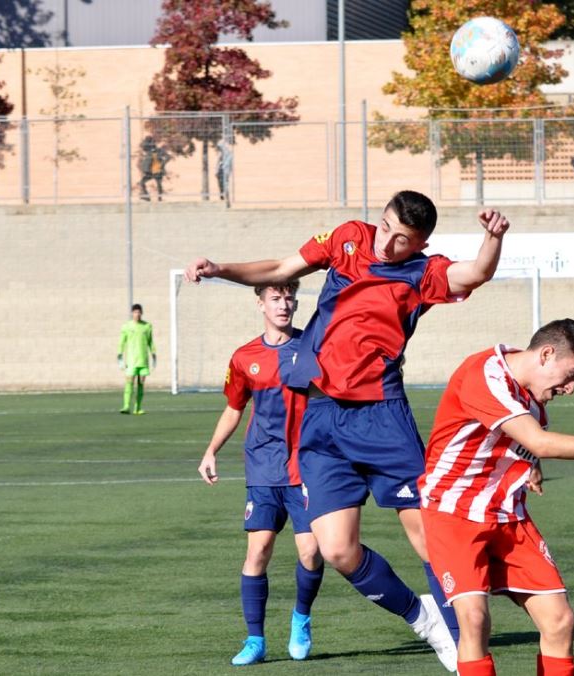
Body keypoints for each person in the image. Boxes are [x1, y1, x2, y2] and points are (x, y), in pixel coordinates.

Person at [185, 190, 511, 672]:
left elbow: (477, 272)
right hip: (321, 419)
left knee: (429, 539)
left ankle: (465, 646)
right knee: (336, 549)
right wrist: (220, 270)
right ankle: (423, 618)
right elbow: (280, 269)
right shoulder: (347, 239)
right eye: (386, 227)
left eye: (403, 239)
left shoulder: (423, 273)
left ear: (420, 242)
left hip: (382, 417)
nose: (388, 243)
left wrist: (491, 239)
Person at [419, 319, 574, 676]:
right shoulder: (485, 375)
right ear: (547, 354)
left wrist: (528, 467)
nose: (571, 388)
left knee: (560, 620)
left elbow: (520, 443)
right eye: (572, 374)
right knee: (474, 619)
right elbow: (539, 442)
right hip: (453, 513)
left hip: (507, 515)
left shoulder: (532, 394)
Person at [197, 281, 324, 666]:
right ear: (260, 305)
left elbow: (335, 392)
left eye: (288, 297)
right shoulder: (244, 357)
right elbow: (235, 408)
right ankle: (255, 640)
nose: (283, 304)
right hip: (263, 467)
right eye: (275, 298)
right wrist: (210, 451)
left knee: (312, 552)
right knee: (259, 551)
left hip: (307, 465)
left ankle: (301, 618)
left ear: (296, 302)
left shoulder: (312, 348)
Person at [117, 303, 155, 415]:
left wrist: (154, 353)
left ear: (141, 313)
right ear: (132, 313)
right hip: (131, 360)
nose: (137, 314)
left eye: (139, 312)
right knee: (129, 381)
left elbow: (150, 342)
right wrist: (119, 355)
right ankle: (126, 406)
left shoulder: (147, 326)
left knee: (141, 382)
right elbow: (122, 342)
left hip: (143, 360)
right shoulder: (126, 327)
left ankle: (137, 408)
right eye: (135, 312)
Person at [139, 136, 169, 202]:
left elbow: (168, 157)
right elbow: (142, 146)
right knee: (142, 183)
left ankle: (160, 198)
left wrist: (162, 164)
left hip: (157, 170)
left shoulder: (159, 150)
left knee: (159, 184)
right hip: (149, 171)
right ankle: (146, 197)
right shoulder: (148, 151)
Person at [217, 136, 234, 203]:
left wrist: (227, 171)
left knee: (225, 185)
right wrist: (217, 170)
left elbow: (229, 164)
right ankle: (222, 195)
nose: (219, 148)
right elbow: (218, 162)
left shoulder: (229, 153)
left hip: (225, 170)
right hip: (221, 170)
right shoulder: (221, 153)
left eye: (219, 147)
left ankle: (227, 200)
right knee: (220, 184)